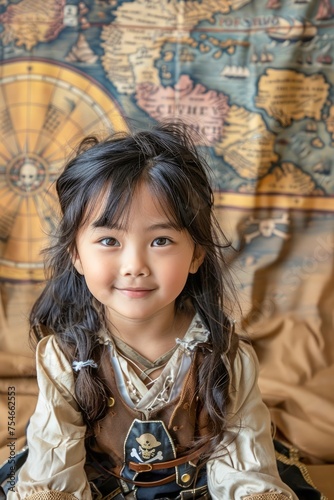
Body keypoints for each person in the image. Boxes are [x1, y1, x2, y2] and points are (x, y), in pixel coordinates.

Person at [8, 123, 297, 500]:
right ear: (76, 254)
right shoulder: (64, 358)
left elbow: (245, 474)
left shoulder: (227, 359)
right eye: (109, 240)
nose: (134, 265)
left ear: (196, 253)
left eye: (161, 240)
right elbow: (55, 472)